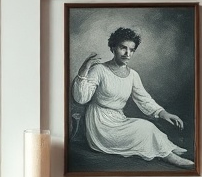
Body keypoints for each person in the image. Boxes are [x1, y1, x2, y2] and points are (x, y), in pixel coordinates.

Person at [71, 26, 194, 168]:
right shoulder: (99, 70)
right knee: (145, 127)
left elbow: (144, 99)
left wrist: (163, 113)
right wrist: (84, 70)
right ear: (113, 48)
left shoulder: (133, 75)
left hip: (119, 120)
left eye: (131, 50)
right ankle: (169, 156)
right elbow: (80, 98)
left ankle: (167, 148)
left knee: (147, 126)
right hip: (101, 125)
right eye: (123, 48)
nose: (127, 53)